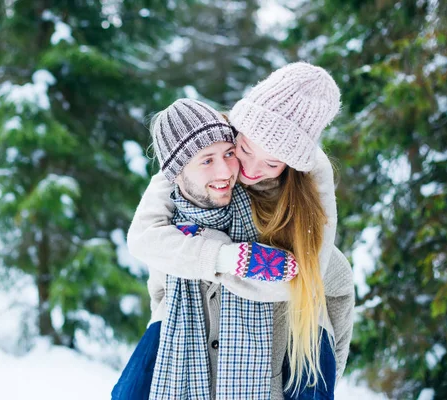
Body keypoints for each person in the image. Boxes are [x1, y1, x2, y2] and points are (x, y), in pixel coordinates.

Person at [116, 63, 354, 399]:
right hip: (187, 323)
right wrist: (225, 257)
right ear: (237, 130)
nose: (250, 170)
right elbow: (145, 236)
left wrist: (226, 262)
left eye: (273, 163)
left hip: (289, 329)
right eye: (243, 150)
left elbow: (308, 274)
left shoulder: (312, 177)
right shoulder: (210, 141)